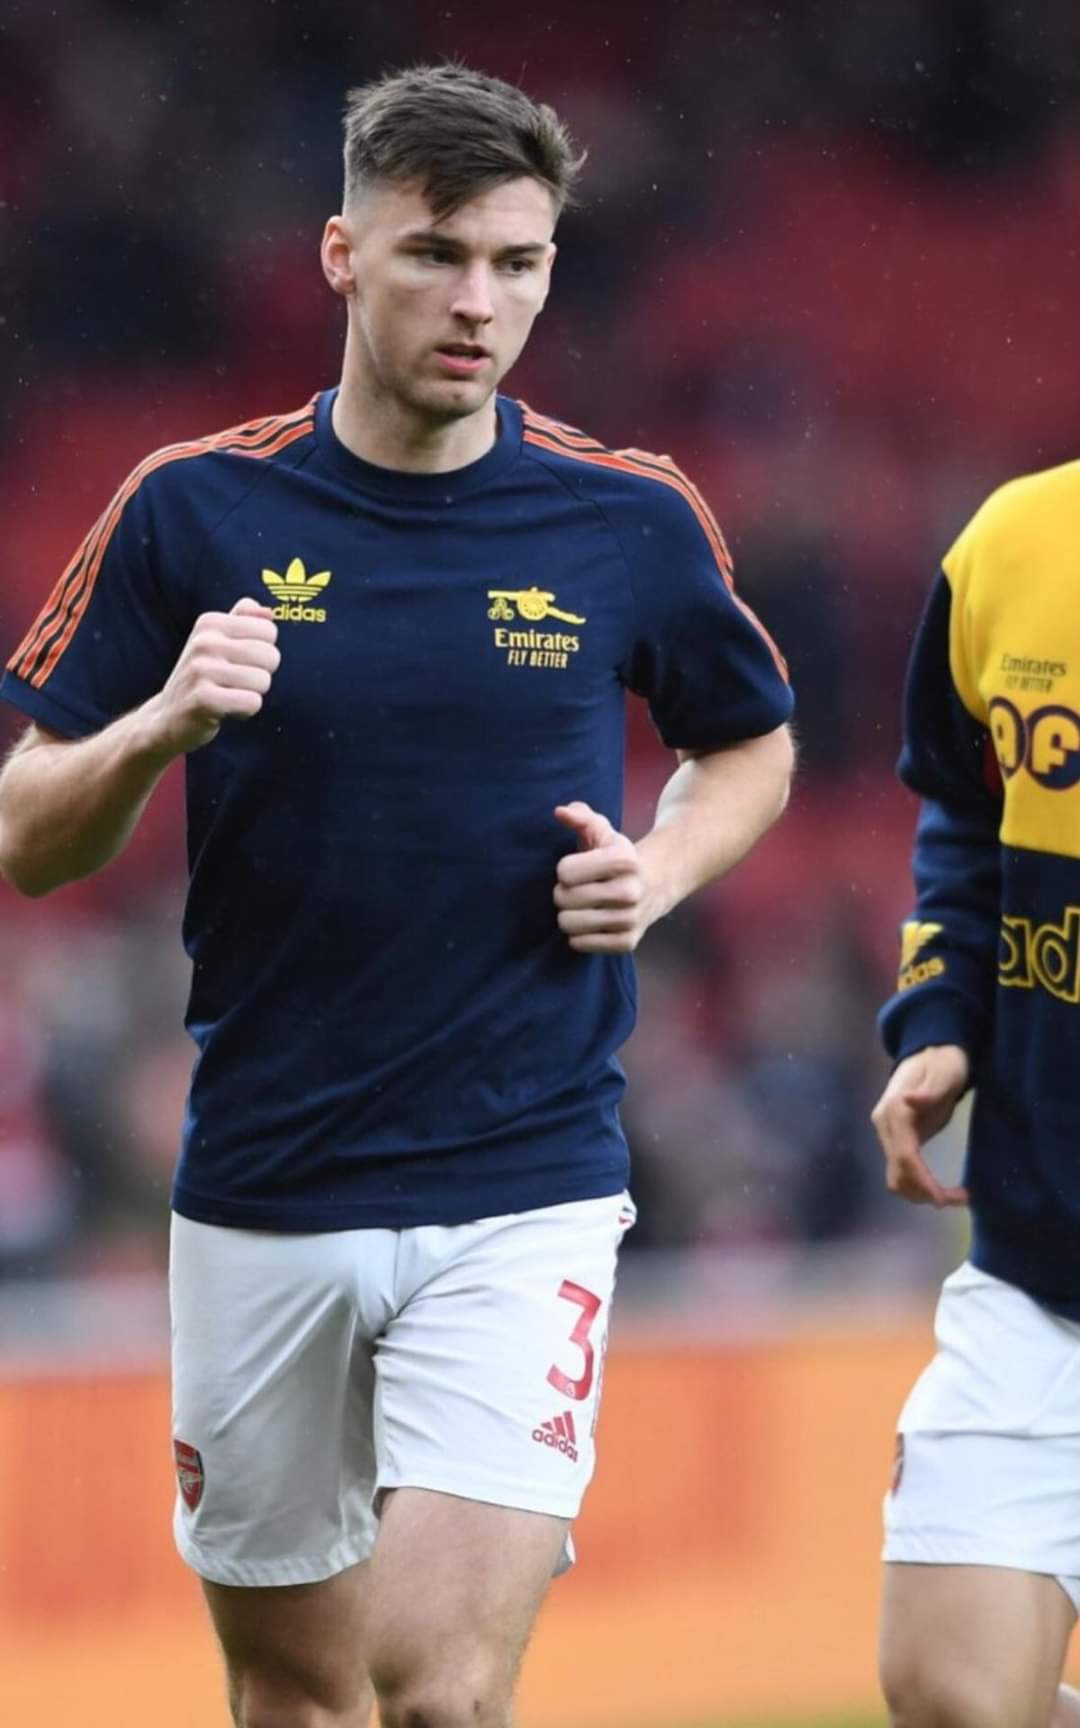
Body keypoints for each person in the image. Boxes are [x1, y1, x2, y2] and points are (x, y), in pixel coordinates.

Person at [0, 63, 794, 1728]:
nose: (480, 302)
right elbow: (28, 835)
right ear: (342, 254)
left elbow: (750, 745)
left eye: (520, 261)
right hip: (265, 1182)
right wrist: (155, 728)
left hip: (524, 1179)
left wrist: (657, 872)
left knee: (435, 1684)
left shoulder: (626, 514)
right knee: (295, 1696)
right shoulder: (193, 504)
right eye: (438, 254)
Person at [871, 466, 1080, 1728]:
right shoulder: (1012, 542)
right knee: (950, 1693)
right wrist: (943, 1021)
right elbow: (962, 813)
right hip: (1039, 1268)